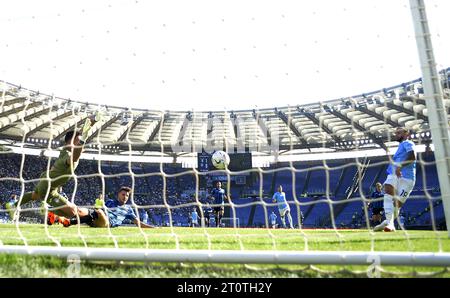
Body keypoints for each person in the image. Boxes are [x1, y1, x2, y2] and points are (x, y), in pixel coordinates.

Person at [6, 114, 100, 221]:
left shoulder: (66, 150)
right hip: (48, 187)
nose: (81, 145)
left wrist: (90, 125)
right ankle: (48, 208)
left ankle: (14, 205)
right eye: (78, 142)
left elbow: (76, 137)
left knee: (34, 195)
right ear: (70, 142)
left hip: (47, 180)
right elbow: (75, 154)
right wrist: (83, 139)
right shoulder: (69, 155)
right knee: (72, 213)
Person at [374, 127, 416, 232]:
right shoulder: (401, 146)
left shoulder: (408, 143)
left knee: (397, 205)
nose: (396, 134)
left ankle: (387, 222)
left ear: (406, 134)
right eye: (395, 133)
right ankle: (390, 224)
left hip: (407, 178)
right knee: (388, 192)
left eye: (399, 133)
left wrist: (400, 166)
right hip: (394, 174)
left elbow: (413, 156)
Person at [61, 186, 154, 228]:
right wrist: (100, 206)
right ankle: (62, 219)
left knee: (99, 212)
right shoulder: (110, 202)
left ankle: (69, 221)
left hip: (107, 223)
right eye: (123, 194)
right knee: (81, 211)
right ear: (118, 195)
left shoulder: (128, 209)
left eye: (127, 195)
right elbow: (100, 209)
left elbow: (138, 223)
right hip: (96, 218)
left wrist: (152, 228)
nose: (125, 197)